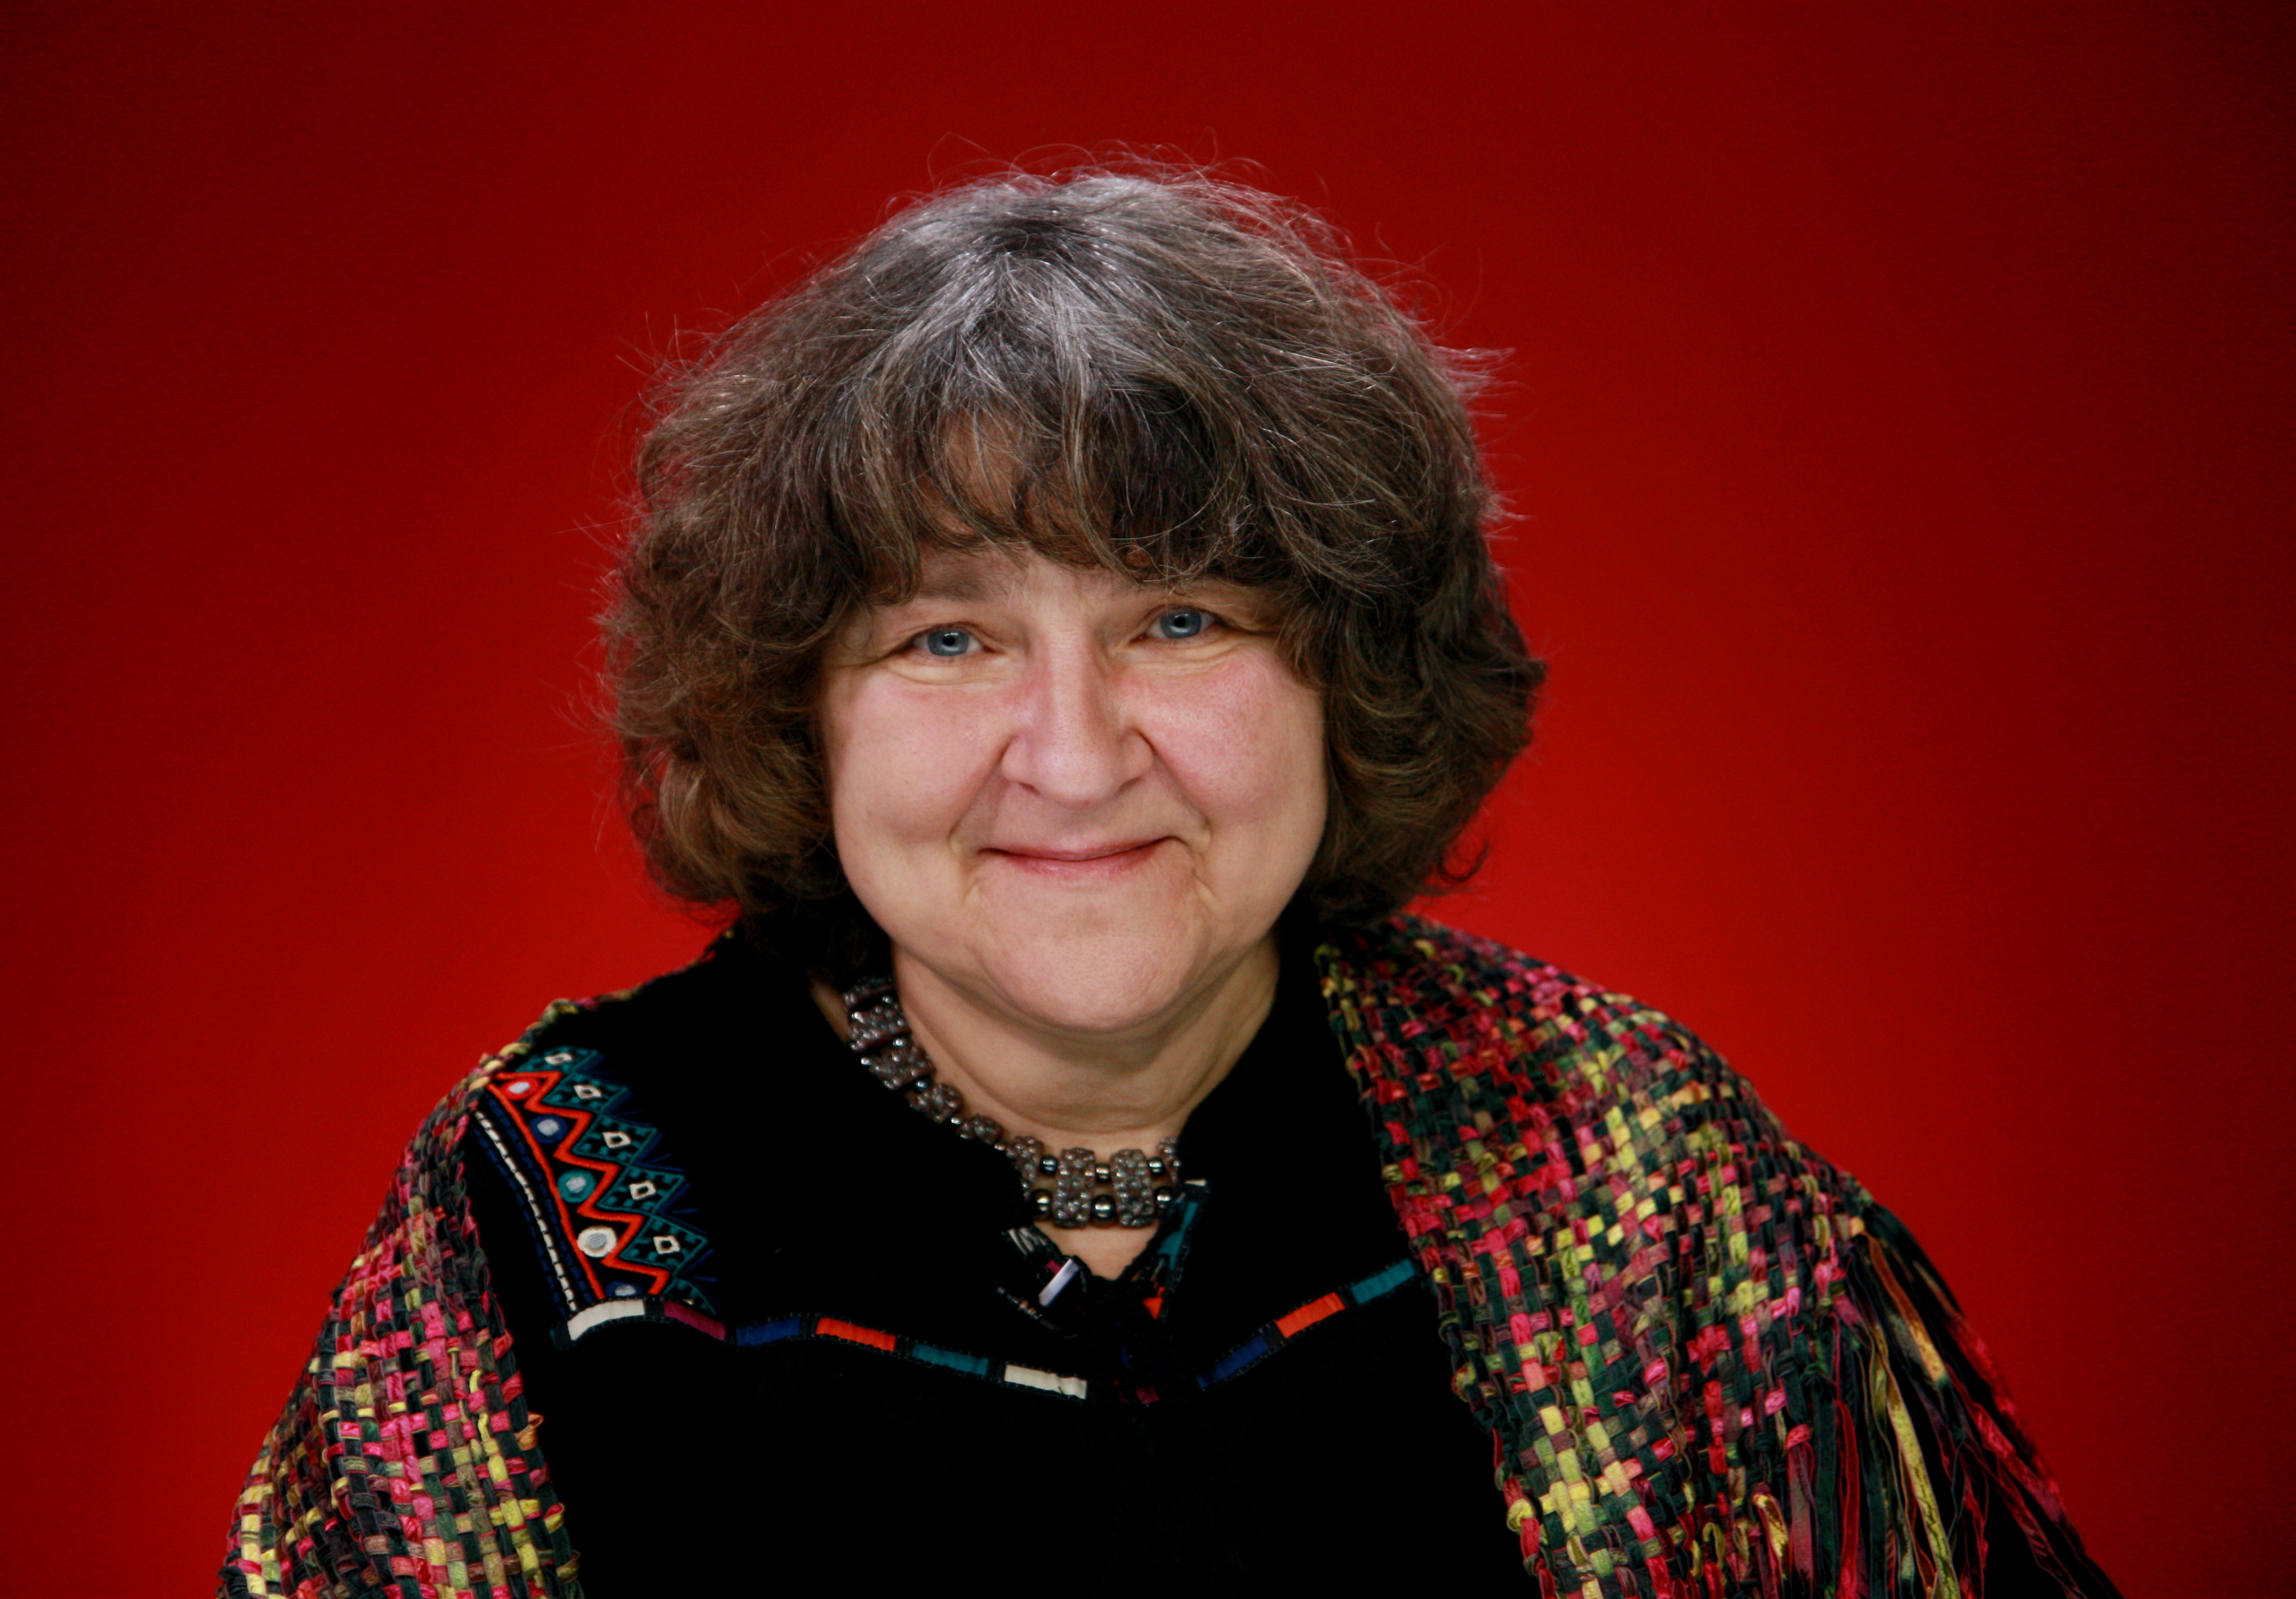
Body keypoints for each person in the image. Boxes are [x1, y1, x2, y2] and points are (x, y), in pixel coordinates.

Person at [222, 168, 2120, 1598]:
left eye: (1183, 618)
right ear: (801, 712)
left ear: (1343, 674)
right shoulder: (551, 1199)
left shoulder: (1621, 1154)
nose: (1073, 756)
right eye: (948, 639)